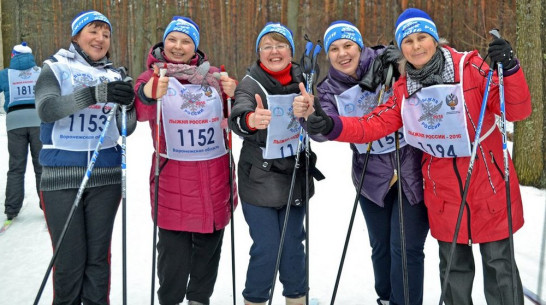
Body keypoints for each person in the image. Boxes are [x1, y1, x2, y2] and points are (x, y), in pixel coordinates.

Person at [297, 8, 531, 305]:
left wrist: (509, 69)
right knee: (453, 271)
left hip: (486, 182)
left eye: (422, 38)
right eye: (408, 41)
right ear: (401, 49)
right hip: (443, 188)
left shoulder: (469, 68)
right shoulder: (404, 88)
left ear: (435, 39)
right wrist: (332, 125)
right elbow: (374, 123)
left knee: (499, 267)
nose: (416, 46)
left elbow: (518, 109)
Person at [296, 20, 429, 305]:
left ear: (359, 45)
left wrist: (404, 63)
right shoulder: (329, 89)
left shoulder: (388, 62)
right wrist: (310, 118)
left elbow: (424, 73)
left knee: (405, 248)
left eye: (348, 45)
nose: (342, 53)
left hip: (411, 172)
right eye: (334, 48)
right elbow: (323, 131)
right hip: (371, 177)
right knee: (381, 246)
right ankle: (386, 297)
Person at [134, 16, 237, 305]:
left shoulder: (215, 77)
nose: (178, 46)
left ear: (196, 48)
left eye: (186, 41)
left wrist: (234, 93)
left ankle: (199, 300)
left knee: (208, 253)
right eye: (173, 39)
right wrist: (147, 93)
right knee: (173, 259)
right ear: (163, 43)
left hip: (213, 180)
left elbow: (236, 115)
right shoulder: (152, 76)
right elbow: (139, 111)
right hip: (172, 182)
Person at [35, 10, 136, 304]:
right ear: (77, 35)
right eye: (93, 31)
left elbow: (125, 129)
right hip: (61, 178)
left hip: (105, 176)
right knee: (69, 261)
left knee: (98, 260)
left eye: (106, 34)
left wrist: (127, 105)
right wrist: (94, 94)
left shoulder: (115, 74)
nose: (100, 39)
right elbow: (47, 109)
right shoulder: (55, 67)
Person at [228, 22, 323, 305]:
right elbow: (239, 111)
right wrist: (250, 120)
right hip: (259, 176)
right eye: (267, 46)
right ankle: (255, 299)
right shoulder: (250, 82)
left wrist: (312, 111)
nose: (274, 51)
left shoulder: (304, 78)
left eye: (280, 45)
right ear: (259, 52)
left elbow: (319, 122)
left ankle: (297, 299)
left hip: (295, 174)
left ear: (290, 51)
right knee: (268, 247)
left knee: (293, 246)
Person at [0, 42, 42, 221]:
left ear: (13, 56)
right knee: (41, 166)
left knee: (16, 167)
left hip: (15, 122)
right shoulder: (40, 72)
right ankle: (47, 205)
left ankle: (12, 209)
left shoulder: (5, 74)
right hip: (38, 121)